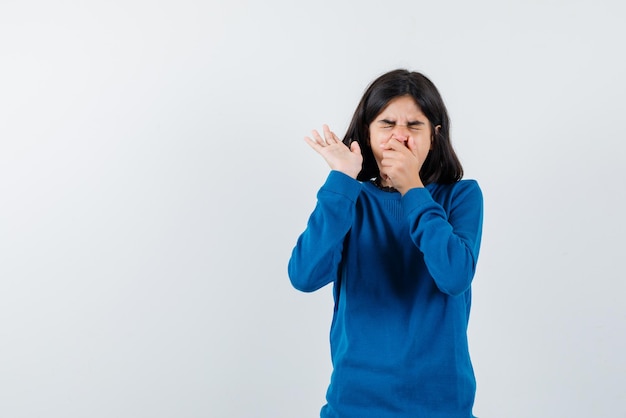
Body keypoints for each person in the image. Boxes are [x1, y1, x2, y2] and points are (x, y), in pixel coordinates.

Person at [288, 69, 484, 417]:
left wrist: (413, 190)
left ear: (434, 137)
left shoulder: (461, 197)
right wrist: (341, 181)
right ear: (367, 132)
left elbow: (454, 276)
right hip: (354, 404)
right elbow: (304, 275)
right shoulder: (351, 198)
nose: (400, 137)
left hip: (443, 406)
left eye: (414, 126)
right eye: (387, 124)